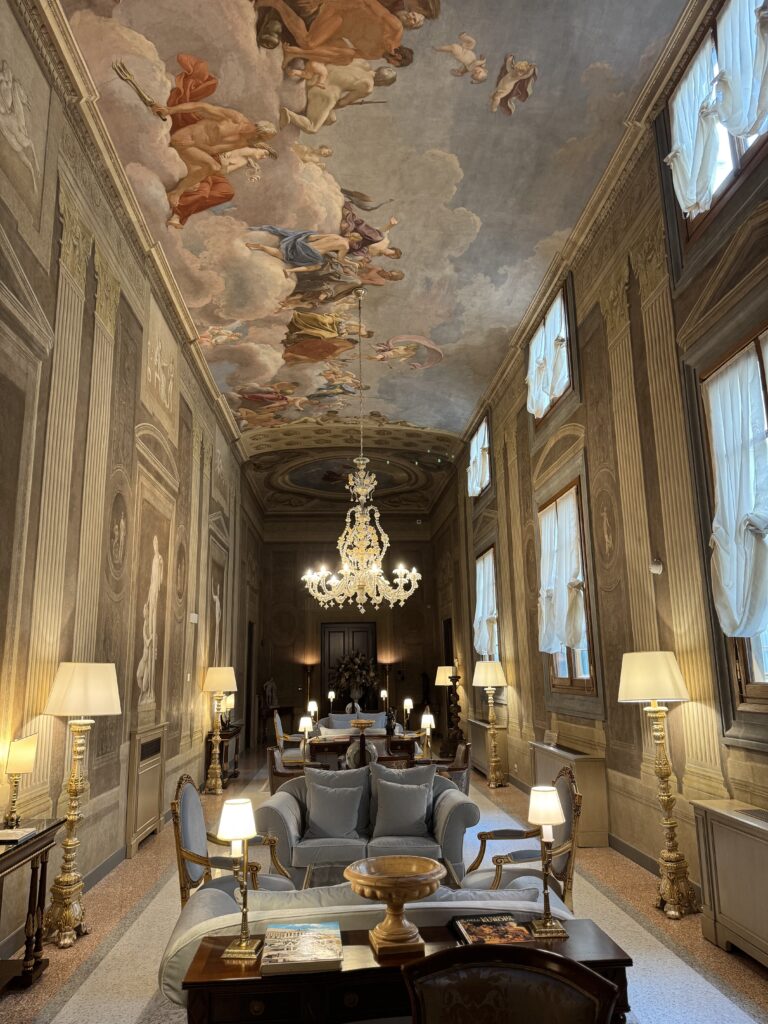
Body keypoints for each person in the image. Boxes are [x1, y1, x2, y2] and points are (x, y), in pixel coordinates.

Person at [150, 54, 278, 226]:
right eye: (261, 136)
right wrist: (170, 110)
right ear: (257, 129)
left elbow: (212, 150)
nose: (258, 139)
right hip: (185, 137)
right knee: (209, 169)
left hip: (193, 148)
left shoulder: (242, 142)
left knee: (212, 169)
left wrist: (198, 148)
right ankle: (177, 193)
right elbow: (201, 106)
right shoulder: (235, 118)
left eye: (261, 139)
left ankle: (177, 195)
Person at [253, 0, 422, 67]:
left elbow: (343, 53)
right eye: (394, 63)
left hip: (337, 28)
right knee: (309, 42)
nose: (390, 63)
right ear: (398, 56)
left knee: (344, 58)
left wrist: (306, 53)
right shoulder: (395, 28)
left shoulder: (375, 54)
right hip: (340, 10)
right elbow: (367, 2)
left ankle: (296, 52)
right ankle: (276, 4)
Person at [281, 61, 395, 135]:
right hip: (324, 92)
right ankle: (288, 114)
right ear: (381, 82)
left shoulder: (363, 63)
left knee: (331, 119)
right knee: (312, 128)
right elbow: (343, 102)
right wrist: (333, 105)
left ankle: (310, 110)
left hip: (315, 76)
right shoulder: (368, 85)